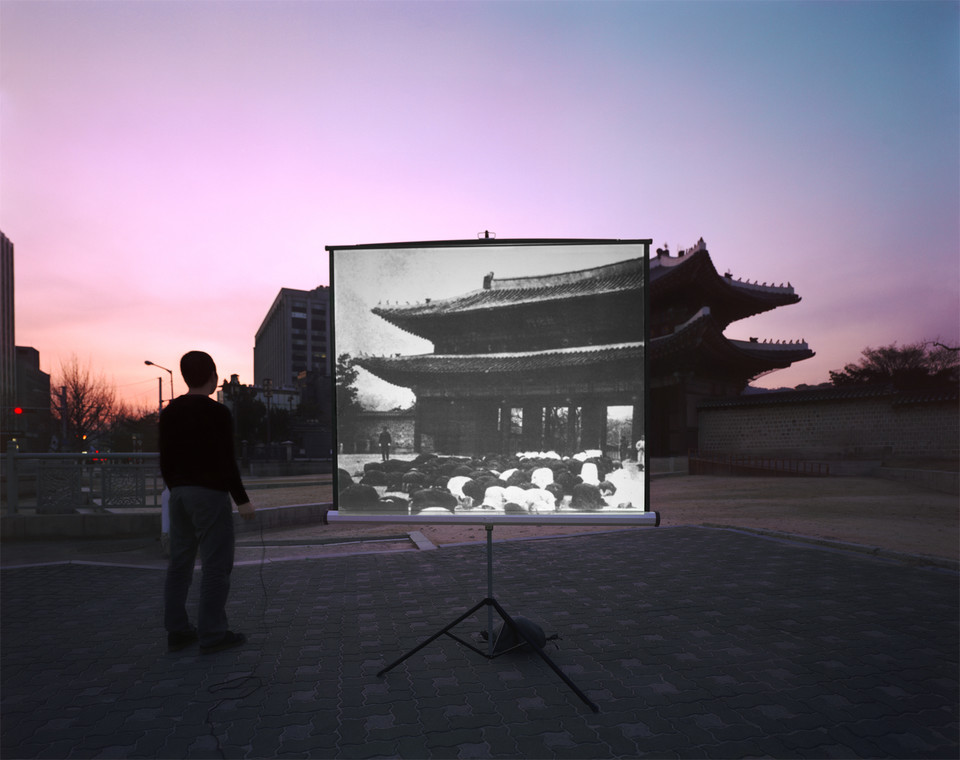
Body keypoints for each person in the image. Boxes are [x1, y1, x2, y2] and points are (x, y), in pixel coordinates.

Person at [160, 351, 256, 654]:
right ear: (214, 376)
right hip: (210, 495)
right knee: (215, 566)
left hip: (178, 494)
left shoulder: (170, 411)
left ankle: (177, 630)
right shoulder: (218, 413)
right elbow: (226, 460)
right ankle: (212, 633)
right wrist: (242, 501)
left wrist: (175, 487)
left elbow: (165, 459)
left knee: (180, 563)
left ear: (185, 376)